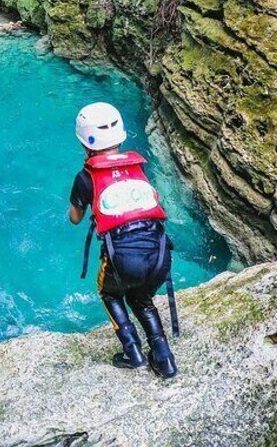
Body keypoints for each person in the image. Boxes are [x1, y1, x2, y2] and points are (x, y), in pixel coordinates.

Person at [68, 102, 179, 379]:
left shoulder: (85, 177)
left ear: (84, 142)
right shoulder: (138, 167)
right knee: (141, 299)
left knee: (109, 292)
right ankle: (164, 358)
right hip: (160, 254)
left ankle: (133, 352)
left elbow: (75, 218)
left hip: (123, 258)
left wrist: (80, 202)